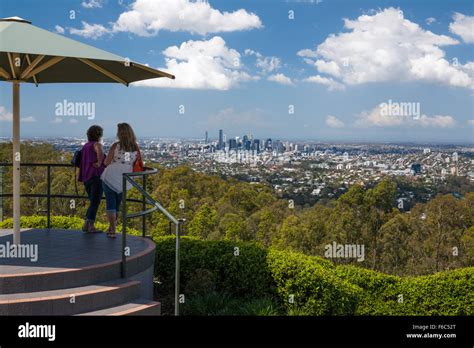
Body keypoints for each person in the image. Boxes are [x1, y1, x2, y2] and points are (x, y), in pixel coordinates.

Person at [101, 123, 139, 238]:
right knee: (117, 204)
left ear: (119, 133)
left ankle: (112, 229)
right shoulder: (135, 147)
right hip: (125, 178)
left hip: (110, 176)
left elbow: (106, 163)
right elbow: (130, 162)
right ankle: (112, 228)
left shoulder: (115, 146)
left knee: (110, 203)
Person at [78, 125, 105, 233]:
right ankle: (90, 226)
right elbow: (100, 153)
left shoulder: (85, 146)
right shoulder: (96, 144)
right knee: (95, 201)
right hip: (96, 176)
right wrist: (99, 162)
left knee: (93, 201)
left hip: (86, 177)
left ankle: (86, 224)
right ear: (99, 135)